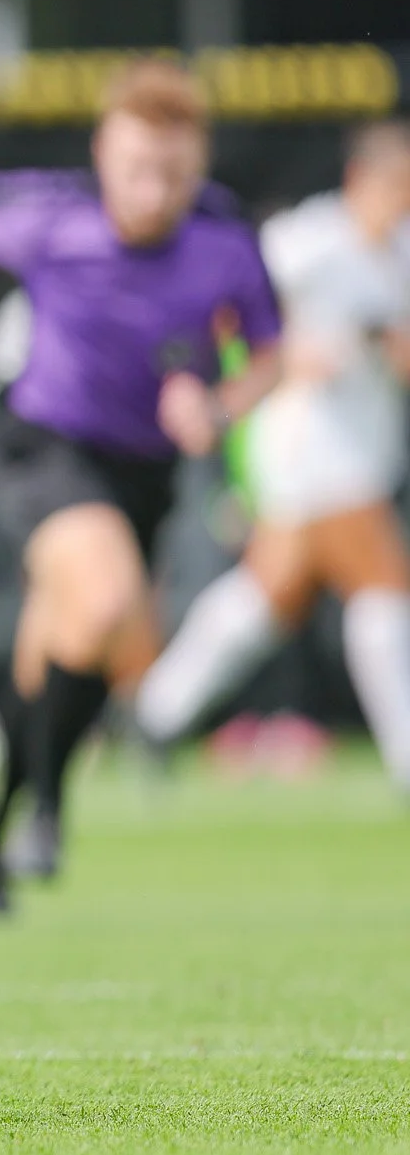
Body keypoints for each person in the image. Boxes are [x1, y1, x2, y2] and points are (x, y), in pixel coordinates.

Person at [0, 58, 283, 916]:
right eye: (138, 170)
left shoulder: (226, 240)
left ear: (200, 167)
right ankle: (44, 804)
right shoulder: (52, 216)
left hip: (142, 466)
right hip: (38, 440)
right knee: (109, 598)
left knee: (68, 641)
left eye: (175, 174)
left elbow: (269, 354)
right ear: (104, 155)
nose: (155, 192)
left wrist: (219, 406)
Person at [137, 122, 410, 774]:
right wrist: (287, 354)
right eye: (395, 185)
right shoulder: (307, 243)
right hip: (305, 451)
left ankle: (154, 713)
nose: (402, 200)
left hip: (366, 451)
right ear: (359, 181)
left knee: (266, 598)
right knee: (385, 588)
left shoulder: (401, 254)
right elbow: (228, 311)